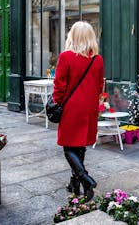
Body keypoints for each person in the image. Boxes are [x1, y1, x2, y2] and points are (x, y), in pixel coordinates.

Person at [53, 21, 104, 201]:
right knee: (80, 145)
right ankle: (74, 184)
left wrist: (57, 103)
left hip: (72, 107)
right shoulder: (97, 59)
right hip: (89, 107)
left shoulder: (66, 57)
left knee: (69, 147)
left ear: (72, 36)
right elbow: (99, 85)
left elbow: (59, 86)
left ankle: (85, 178)